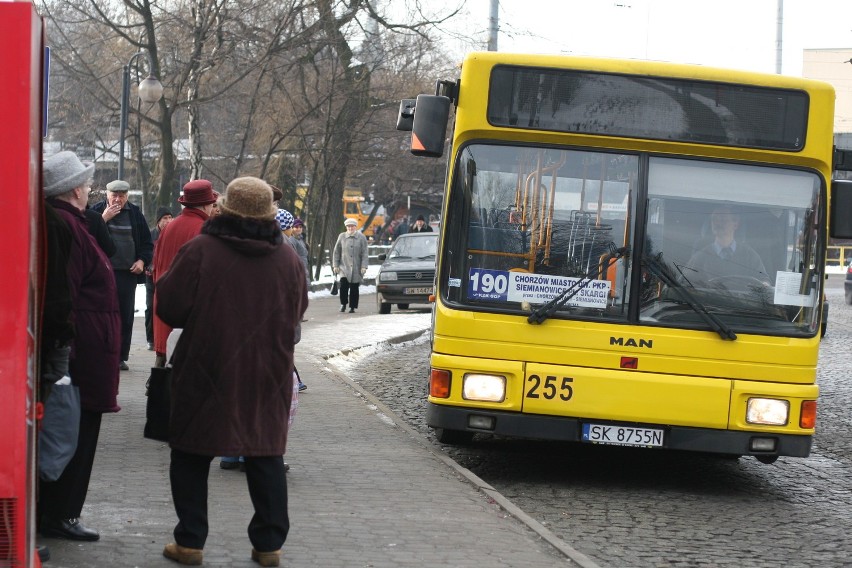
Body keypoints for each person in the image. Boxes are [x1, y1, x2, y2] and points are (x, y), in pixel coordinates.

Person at [156, 177, 307, 567]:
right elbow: (298, 314)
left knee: (190, 453)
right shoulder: (288, 258)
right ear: (268, 214)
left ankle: (189, 542)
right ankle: (268, 545)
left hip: (207, 365)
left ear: (224, 209)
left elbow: (169, 307)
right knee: (265, 454)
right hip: (268, 370)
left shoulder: (201, 250)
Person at [40, 151, 121, 543]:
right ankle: (61, 513)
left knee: (77, 430)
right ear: (73, 188)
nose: (90, 188)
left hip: (86, 347)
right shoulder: (67, 227)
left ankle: (61, 512)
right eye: (87, 183)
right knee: (75, 433)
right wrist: (65, 349)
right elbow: (64, 293)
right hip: (81, 352)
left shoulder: (73, 223)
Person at [152, 180, 218, 367]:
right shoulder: (203, 230)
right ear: (206, 204)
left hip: (165, 304)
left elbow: (157, 264)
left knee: (163, 359)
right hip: (188, 311)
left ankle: (156, 391)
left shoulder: (170, 227)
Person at [91, 180, 153, 371]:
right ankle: (100, 353)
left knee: (125, 316)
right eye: (114, 196)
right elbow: (87, 236)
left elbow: (147, 243)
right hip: (102, 272)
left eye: (122, 196)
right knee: (101, 314)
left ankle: (120, 356)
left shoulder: (135, 214)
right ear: (107, 195)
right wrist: (103, 219)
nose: (118, 200)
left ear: (127, 196)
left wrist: (142, 261)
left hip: (127, 273)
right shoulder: (96, 211)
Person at [685, 206, 769, 285]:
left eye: (722, 219)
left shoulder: (749, 255)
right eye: (714, 219)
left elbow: (764, 282)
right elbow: (684, 282)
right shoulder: (700, 256)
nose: (717, 223)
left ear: (735, 224)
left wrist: (765, 285)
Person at [146, 207, 175, 350]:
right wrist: (149, 265)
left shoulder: (173, 233)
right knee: (151, 306)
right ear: (159, 220)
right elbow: (146, 251)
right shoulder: (150, 235)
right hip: (151, 275)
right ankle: (151, 338)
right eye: (165, 218)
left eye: (170, 217)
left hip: (167, 275)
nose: (168, 221)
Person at [332, 217, 369, 313]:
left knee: (354, 288)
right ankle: (343, 304)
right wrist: (335, 265)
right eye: (348, 226)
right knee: (343, 286)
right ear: (346, 227)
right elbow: (336, 252)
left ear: (355, 227)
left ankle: (352, 307)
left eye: (352, 226)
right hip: (344, 266)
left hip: (356, 267)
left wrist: (364, 266)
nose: (350, 228)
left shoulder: (361, 237)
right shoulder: (341, 236)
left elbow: (365, 253)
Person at [292, 217, 311, 292]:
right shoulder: (292, 239)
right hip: (297, 270)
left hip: (303, 268)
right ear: (292, 228)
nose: (298, 229)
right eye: (296, 227)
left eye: (300, 227)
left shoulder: (300, 239)